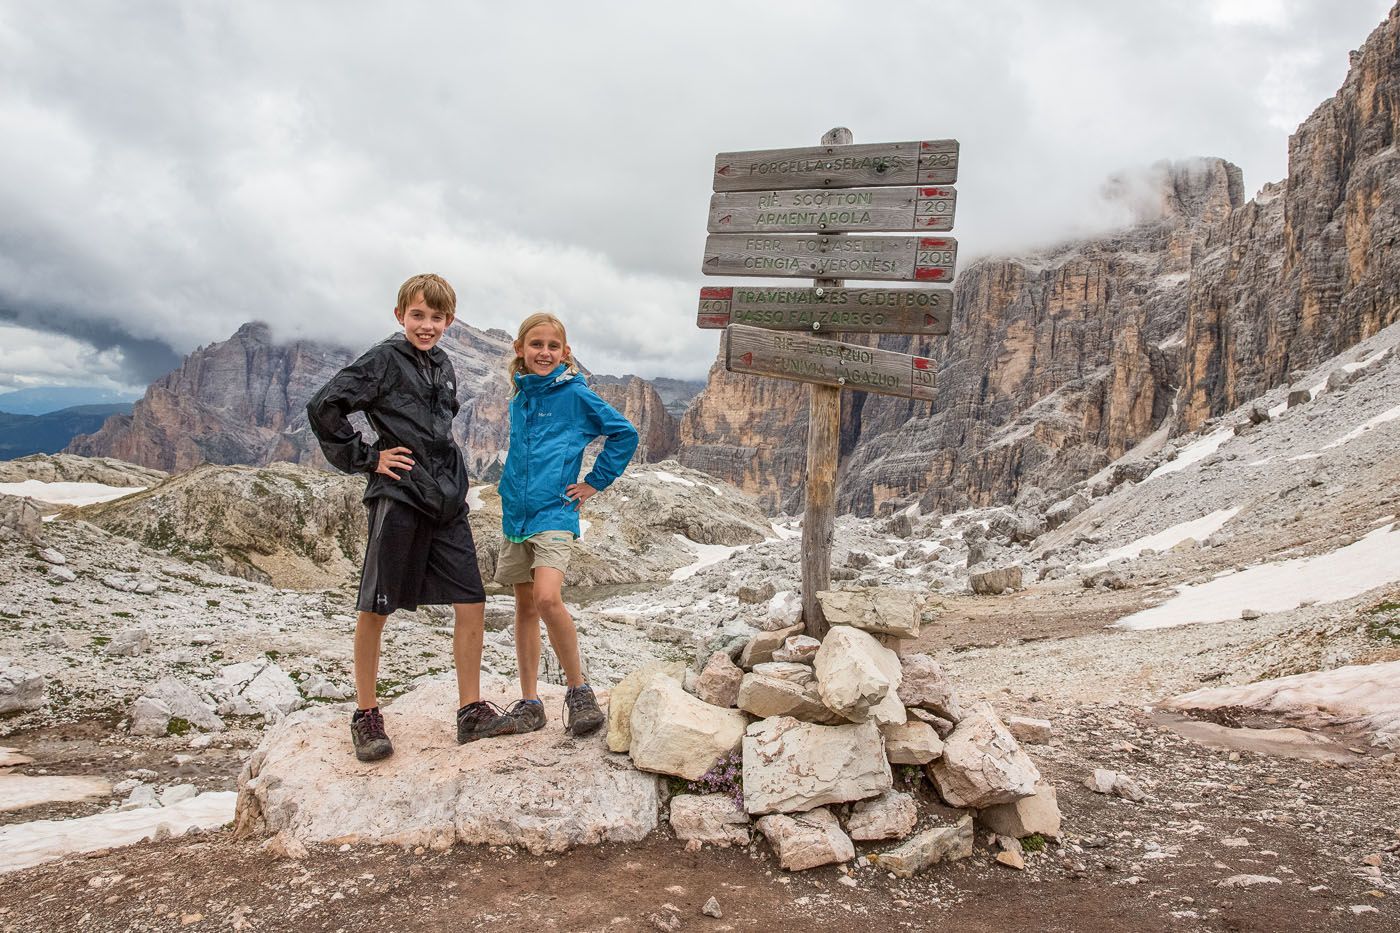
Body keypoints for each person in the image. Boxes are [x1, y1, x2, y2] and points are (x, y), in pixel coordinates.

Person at [306, 273, 501, 761]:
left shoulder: (443, 362)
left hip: (446, 499)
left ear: (449, 321)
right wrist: (369, 457)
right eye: (418, 315)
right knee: (376, 605)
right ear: (400, 316)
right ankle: (367, 716)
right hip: (399, 495)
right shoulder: (383, 359)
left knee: (471, 599)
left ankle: (470, 710)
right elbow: (324, 406)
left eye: (436, 318)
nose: (427, 325)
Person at [484, 312, 638, 738]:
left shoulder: (575, 394)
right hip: (516, 515)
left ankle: (578, 690)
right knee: (524, 608)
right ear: (521, 350)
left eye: (553, 346)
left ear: (566, 353)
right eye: (536, 345)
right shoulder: (520, 398)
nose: (545, 353)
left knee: (548, 599)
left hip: (554, 512)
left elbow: (624, 433)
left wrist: (594, 483)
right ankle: (531, 701)